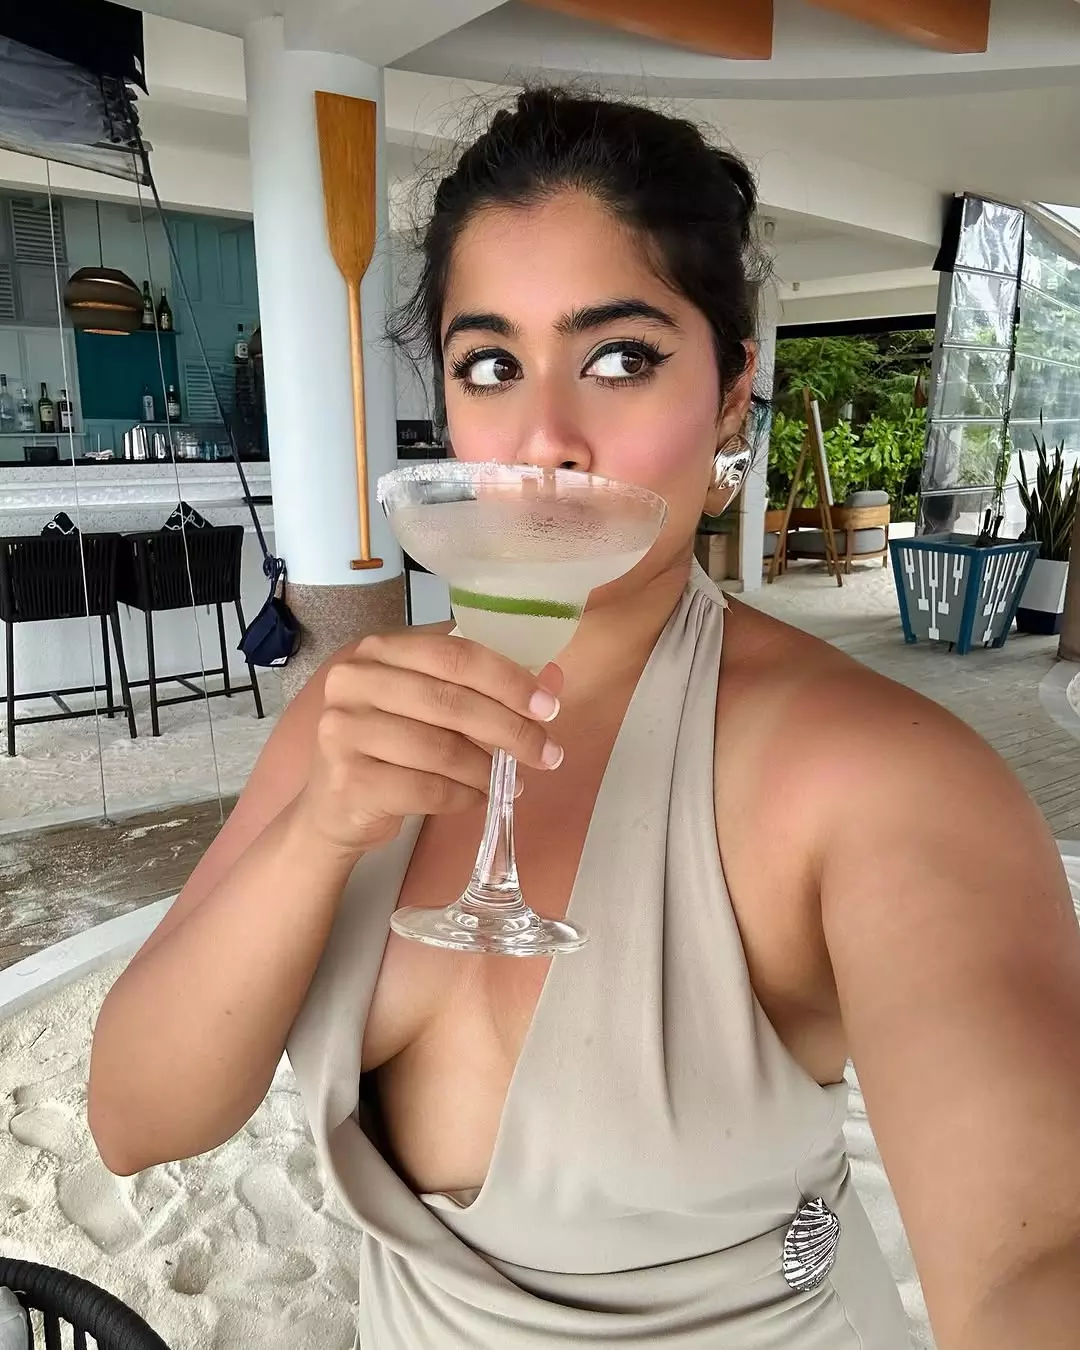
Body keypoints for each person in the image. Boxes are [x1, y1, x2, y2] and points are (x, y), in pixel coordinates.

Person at [87, 88, 1080, 1349]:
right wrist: (319, 832)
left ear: (732, 395)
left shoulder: (874, 774)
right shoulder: (354, 719)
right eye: (489, 365)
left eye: (620, 359)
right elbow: (134, 1122)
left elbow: (1034, 1254)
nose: (545, 441)